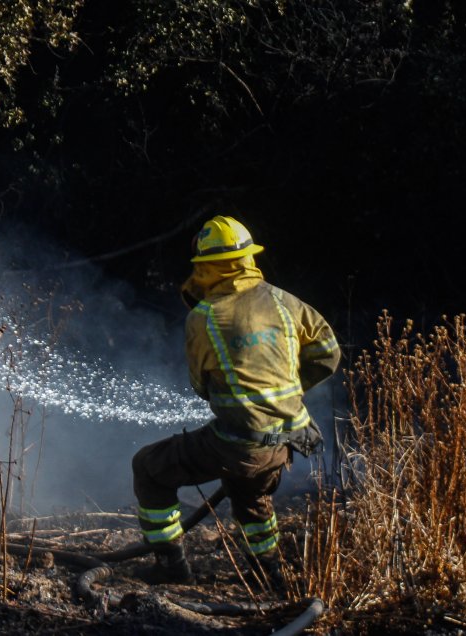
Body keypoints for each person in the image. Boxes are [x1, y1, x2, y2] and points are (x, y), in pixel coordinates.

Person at [131, 215, 340, 585]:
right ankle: (267, 573)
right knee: (249, 493)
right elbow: (328, 352)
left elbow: (202, 386)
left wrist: (250, 395)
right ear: (247, 258)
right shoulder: (283, 301)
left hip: (238, 445)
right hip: (287, 440)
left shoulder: (204, 316)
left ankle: (171, 566)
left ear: (206, 267)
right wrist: (287, 389)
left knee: (148, 466)